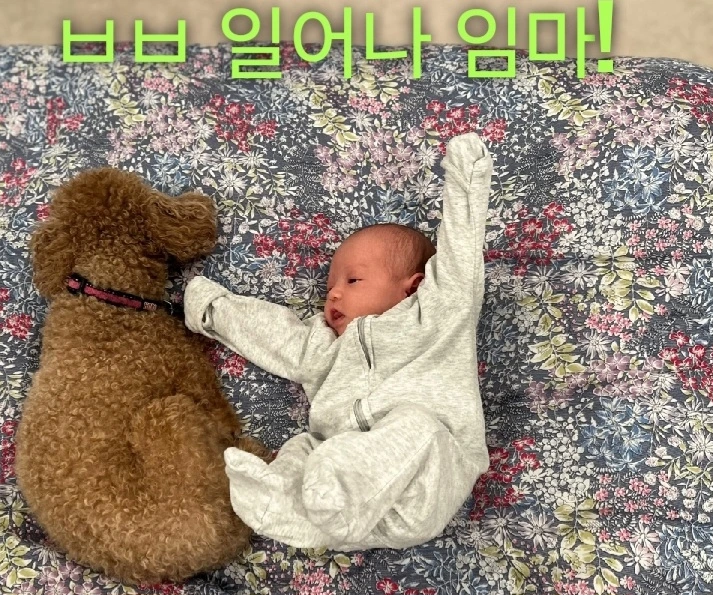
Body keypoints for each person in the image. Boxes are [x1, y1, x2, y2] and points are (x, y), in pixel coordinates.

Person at [183, 132, 493, 550]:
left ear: (414, 286)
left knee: (417, 426)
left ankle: (330, 494)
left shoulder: (437, 315)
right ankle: (284, 504)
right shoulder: (325, 345)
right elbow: (275, 335)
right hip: (351, 513)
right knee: (304, 447)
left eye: (353, 280)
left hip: (426, 481)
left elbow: (460, 255)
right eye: (330, 286)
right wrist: (212, 307)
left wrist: (466, 176)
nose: (333, 295)